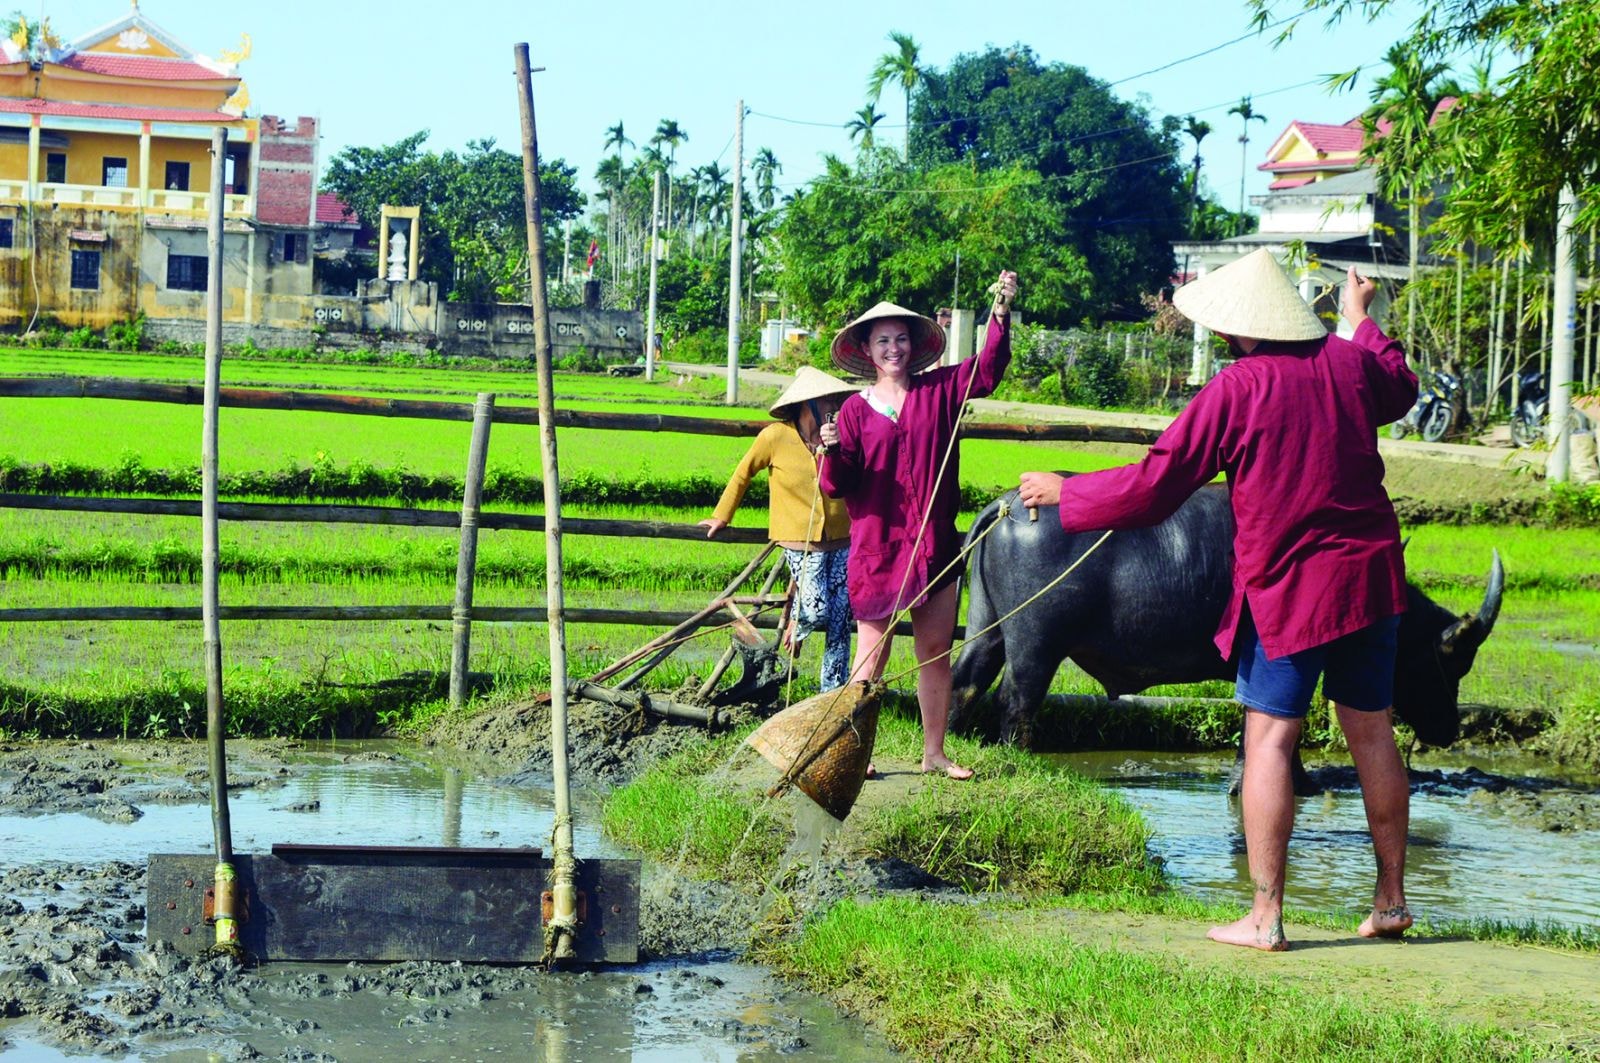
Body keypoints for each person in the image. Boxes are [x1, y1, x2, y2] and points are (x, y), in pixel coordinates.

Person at [1017, 249, 1417, 951]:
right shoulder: (1352, 364)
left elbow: (1155, 484)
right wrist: (1361, 321)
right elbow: (1400, 383)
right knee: (1373, 734)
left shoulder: (1241, 388)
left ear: (1238, 330)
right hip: (1370, 581)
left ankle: (1265, 915)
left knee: (1269, 739)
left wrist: (1067, 491)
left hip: (1292, 587)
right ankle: (1390, 901)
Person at [819, 270, 1019, 780]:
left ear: (914, 345)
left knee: (934, 651)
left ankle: (934, 753)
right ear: (867, 348)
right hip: (878, 548)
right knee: (872, 658)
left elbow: (989, 370)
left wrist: (999, 314)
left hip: (934, 546)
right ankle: (856, 755)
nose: (894, 348)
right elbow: (834, 485)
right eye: (883, 340)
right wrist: (833, 450)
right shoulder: (852, 413)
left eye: (901, 338)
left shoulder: (940, 391)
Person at [700, 366, 856, 690]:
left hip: (843, 538)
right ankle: (796, 621)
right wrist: (722, 516)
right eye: (826, 399)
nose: (833, 405)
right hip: (799, 542)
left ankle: (833, 693)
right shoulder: (775, 436)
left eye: (834, 399)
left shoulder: (841, 436)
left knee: (842, 619)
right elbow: (744, 473)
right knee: (816, 612)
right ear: (807, 403)